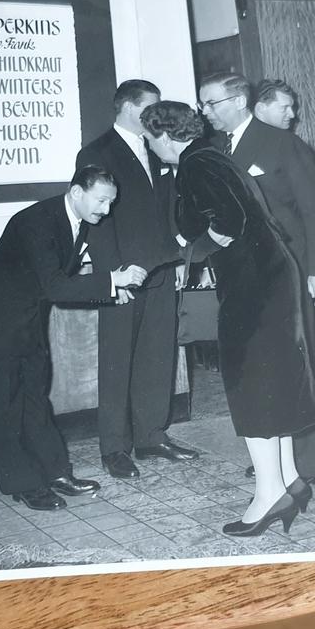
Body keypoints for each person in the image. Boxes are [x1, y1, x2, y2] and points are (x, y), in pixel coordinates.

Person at [143, 100, 315, 537]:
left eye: (150, 139)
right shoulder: (213, 155)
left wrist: (187, 254)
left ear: (164, 136)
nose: (150, 147)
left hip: (253, 284)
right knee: (272, 376)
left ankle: (269, 495)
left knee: (250, 381)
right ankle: (289, 479)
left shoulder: (195, 165)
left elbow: (229, 221)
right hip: (270, 276)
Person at [0, 166, 147, 511]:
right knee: (4, 408)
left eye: (110, 202)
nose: (106, 210)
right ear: (77, 192)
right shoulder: (37, 222)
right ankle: (24, 484)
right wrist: (112, 281)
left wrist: (112, 292)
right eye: (101, 201)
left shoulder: (77, 221)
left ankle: (56, 473)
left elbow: (53, 284)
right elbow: (55, 286)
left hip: (25, 317)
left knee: (36, 399)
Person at [198, 71, 315, 484]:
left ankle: (306, 464)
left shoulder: (282, 143)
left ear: (239, 101)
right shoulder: (216, 149)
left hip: (291, 270)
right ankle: (276, 458)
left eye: (212, 103)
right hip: (247, 276)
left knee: (299, 362)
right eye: (202, 104)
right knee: (263, 366)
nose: (205, 112)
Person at [77, 79, 198, 480]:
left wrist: (177, 260)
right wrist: (113, 277)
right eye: (150, 107)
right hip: (123, 273)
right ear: (129, 108)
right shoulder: (96, 152)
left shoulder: (157, 148)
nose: (156, 115)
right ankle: (114, 448)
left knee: (157, 354)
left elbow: (170, 206)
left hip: (161, 266)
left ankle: (151, 436)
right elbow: (96, 220)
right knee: (118, 360)